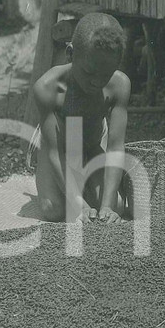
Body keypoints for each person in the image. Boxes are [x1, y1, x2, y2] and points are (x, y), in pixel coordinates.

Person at [31, 12, 132, 223]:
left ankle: (82, 178)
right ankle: (71, 184)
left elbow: (115, 147)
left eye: (105, 76)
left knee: (117, 207)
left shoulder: (119, 85)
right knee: (54, 210)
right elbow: (54, 151)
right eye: (89, 73)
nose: (96, 83)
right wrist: (81, 206)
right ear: (70, 54)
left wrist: (107, 206)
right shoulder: (47, 88)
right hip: (58, 146)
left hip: (92, 143)